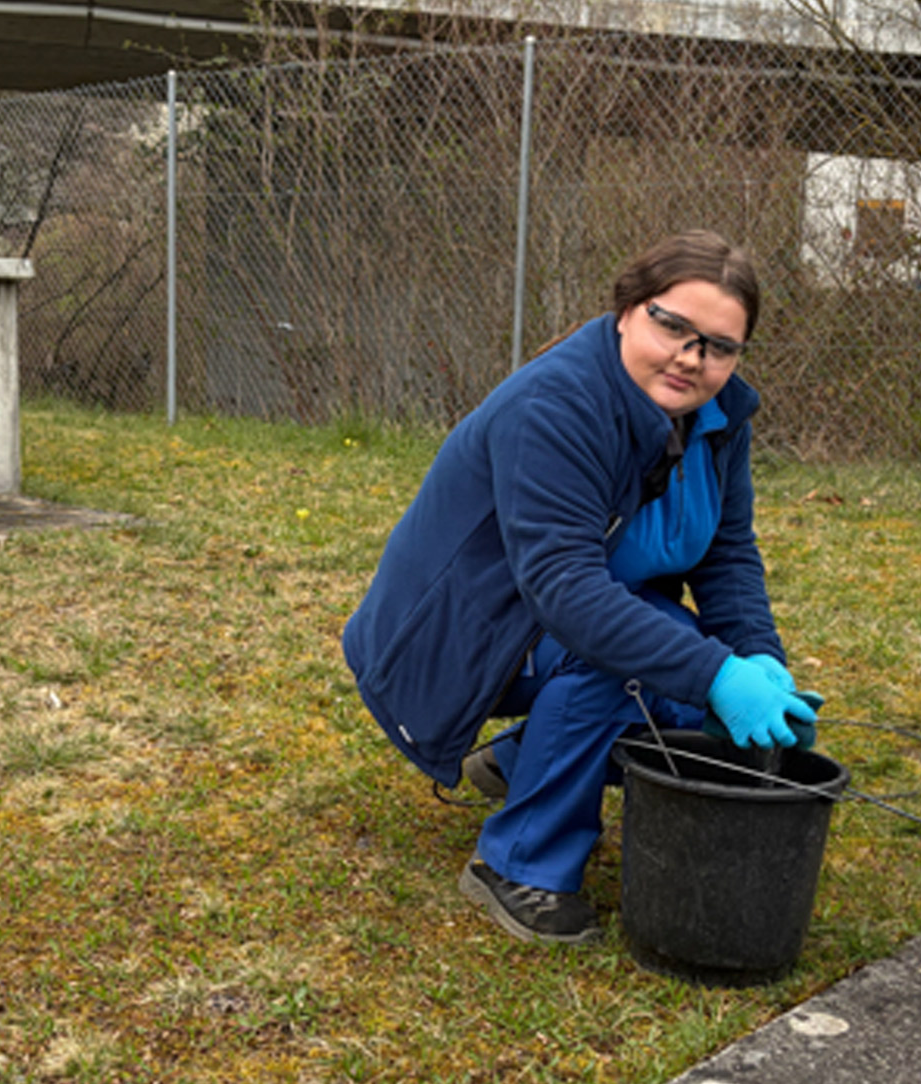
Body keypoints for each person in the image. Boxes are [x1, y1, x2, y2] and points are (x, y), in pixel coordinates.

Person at [341, 229, 817, 945]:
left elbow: (725, 555)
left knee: (690, 663)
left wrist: (757, 658)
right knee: (633, 667)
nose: (692, 358)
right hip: (453, 639)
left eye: (719, 345)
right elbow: (564, 590)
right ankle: (518, 866)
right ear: (628, 308)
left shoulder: (718, 419)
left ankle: (521, 760)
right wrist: (714, 673)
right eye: (673, 326)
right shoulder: (557, 408)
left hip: (545, 625)